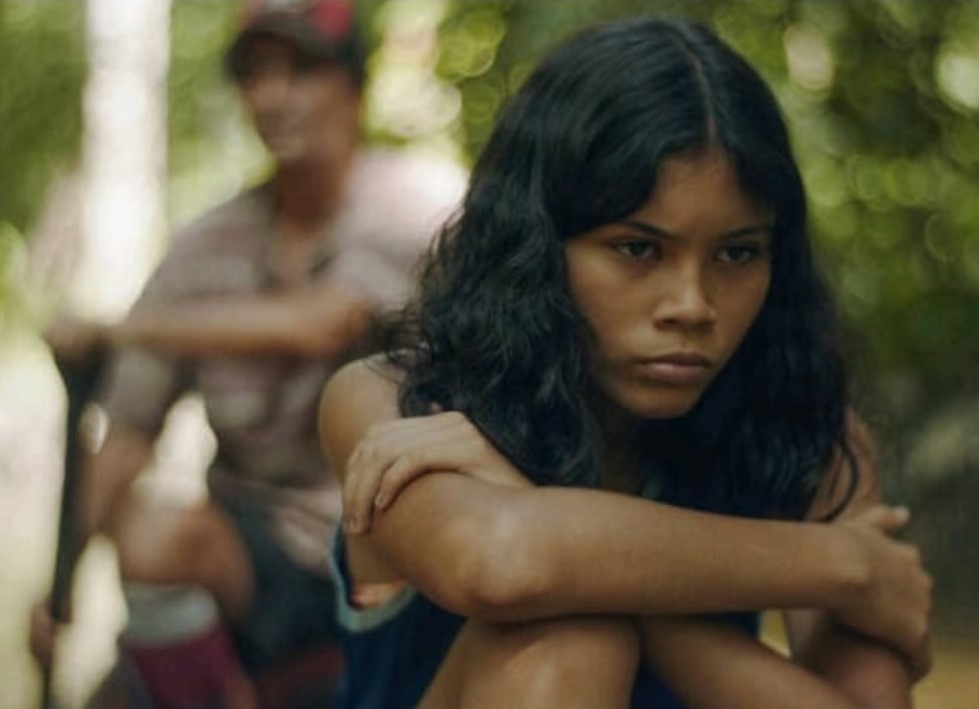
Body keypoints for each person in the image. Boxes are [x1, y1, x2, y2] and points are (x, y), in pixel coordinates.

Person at [317, 16, 932, 709]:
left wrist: (570, 540)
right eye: (638, 249)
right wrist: (842, 564)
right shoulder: (391, 404)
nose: (691, 305)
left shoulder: (804, 435)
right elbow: (500, 563)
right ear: (538, 247)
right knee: (571, 637)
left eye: (736, 253)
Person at [30, 0, 465, 706]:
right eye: (256, 74)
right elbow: (129, 432)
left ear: (352, 86)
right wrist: (61, 586)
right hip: (250, 548)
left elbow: (322, 324)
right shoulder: (206, 245)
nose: (272, 96)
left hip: (387, 542)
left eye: (300, 70)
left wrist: (123, 328)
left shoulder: (417, 205)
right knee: (147, 535)